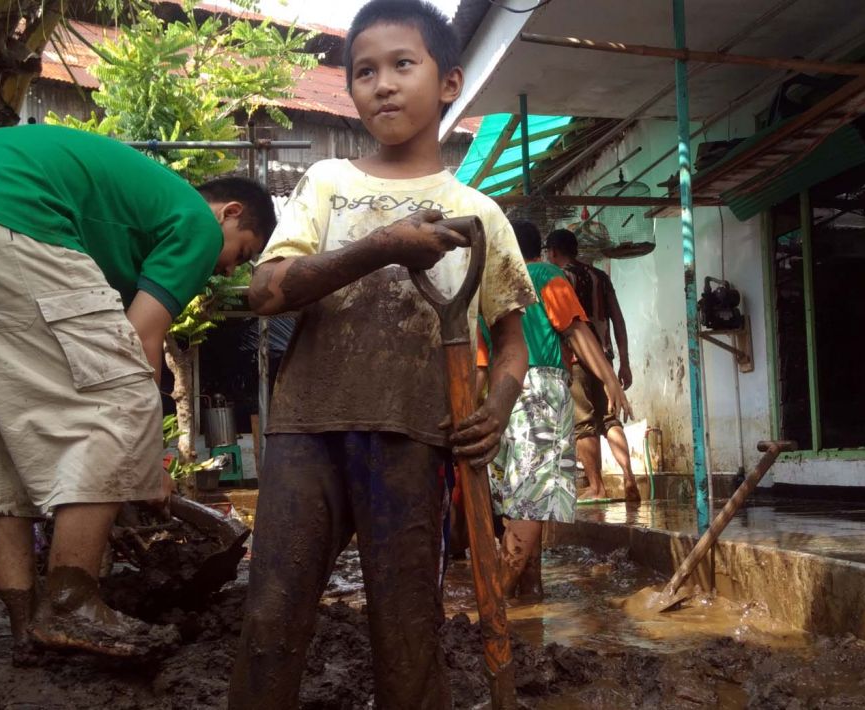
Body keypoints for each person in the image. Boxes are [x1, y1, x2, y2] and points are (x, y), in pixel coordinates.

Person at [228, 2, 535, 708]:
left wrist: (497, 405)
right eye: (364, 71)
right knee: (271, 617)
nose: (383, 84)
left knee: (407, 633)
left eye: (403, 65)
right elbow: (266, 292)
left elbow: (511, 339)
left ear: (450, 82)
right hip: (307, 430)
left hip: (414, 440)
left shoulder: (478, 212)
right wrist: (382, 246)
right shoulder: (329, 183)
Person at [0, 124, 274, 661]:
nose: (226, 268)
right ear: (230, 212)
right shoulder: (197, 222)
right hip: (15, 213)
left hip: (3, 221)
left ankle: (26, 624)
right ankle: (70, 602)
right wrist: (147, 463)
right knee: (122, 402)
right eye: (242, 251)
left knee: (4, 442)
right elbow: (139, 341)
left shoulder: (134, 222)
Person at [480, 219, 632, 600]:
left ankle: (530, 596)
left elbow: (479, 360)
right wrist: (610, 379)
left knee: (517, 500)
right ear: (538, 249)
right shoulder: (546, 275)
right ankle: (495, 603)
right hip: (539, 391)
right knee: (532, 503)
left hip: (497, 396)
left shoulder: (486, 285)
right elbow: (576, 331)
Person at [545, 228, 642, 502]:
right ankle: (628, 475)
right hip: (605, 358)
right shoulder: (600, 276)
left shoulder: (559, 278)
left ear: (552, 251)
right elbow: (619, 321)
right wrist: (624, 363)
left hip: (575, 359)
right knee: (610, 418)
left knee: (584, 423)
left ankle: (597, 487)